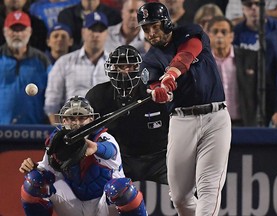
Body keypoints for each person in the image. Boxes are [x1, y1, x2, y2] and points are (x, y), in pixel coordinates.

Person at [137, 2, 231, 216]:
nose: (151, 32)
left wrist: (171, 73)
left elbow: (189, 53)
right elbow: (152, 86)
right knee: (179, 197)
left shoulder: (190, 32)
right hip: (182, 120)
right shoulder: (150, 59)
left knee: (208, 187)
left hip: (215, 117)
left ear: (166, 22)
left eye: (155, 25)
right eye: (146, 28)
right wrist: (159, 92)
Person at [19, 96, 148, 216]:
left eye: (82, 118)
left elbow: (110, 150)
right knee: (34, 181)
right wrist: (33, 168)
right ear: (63, 121)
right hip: (73, 204)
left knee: (121, 189)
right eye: (71, 118)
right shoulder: (57, 144)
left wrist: (95, 148)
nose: (77, 123)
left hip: (104, 206)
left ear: (91, 120)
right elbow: (47, 173)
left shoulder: (103, 138)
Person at [86, 45, 169, 184]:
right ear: (111, 69)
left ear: (140, 68)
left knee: (183, 191)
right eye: (120, 66)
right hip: (118, 157)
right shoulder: (97, 95)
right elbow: (86, 130)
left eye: (130, 66)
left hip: (160, 158)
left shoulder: (155, 92)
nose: (125, 71)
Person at [44, 11, 110, 124]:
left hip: (107, 129)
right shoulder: (64, 62)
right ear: (83, 32)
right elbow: (52, 105)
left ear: (107, 34)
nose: (96, 34)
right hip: (73, 127)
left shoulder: (115, 63)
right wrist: (62, 135)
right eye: (92, 29)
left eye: (100, 30)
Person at [0, 11, 51, 124]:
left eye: (21, 29)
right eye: (13, 29)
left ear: (30, 32)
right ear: (4, 32)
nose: (17, 34)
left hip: (36, 128)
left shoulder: (42, 60)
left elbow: (52, 92)